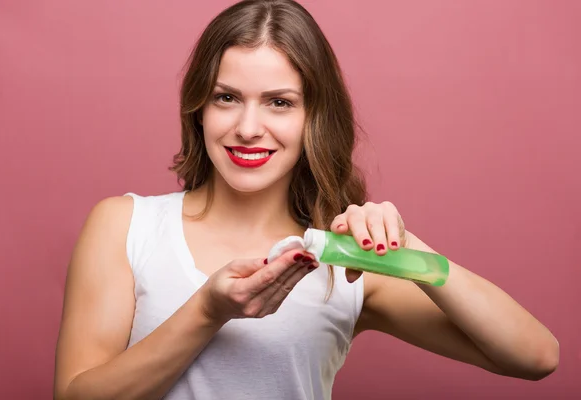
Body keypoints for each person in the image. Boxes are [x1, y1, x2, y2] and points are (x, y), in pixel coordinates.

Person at [53, 0, 559, 399]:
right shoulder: (126, 224)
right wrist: (207, 311)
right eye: (226, 97)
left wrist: (408, 249)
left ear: (314, 117)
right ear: (199, 109)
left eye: (279, 102)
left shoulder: (344, 266)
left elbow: (535, 356)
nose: (248, 129)